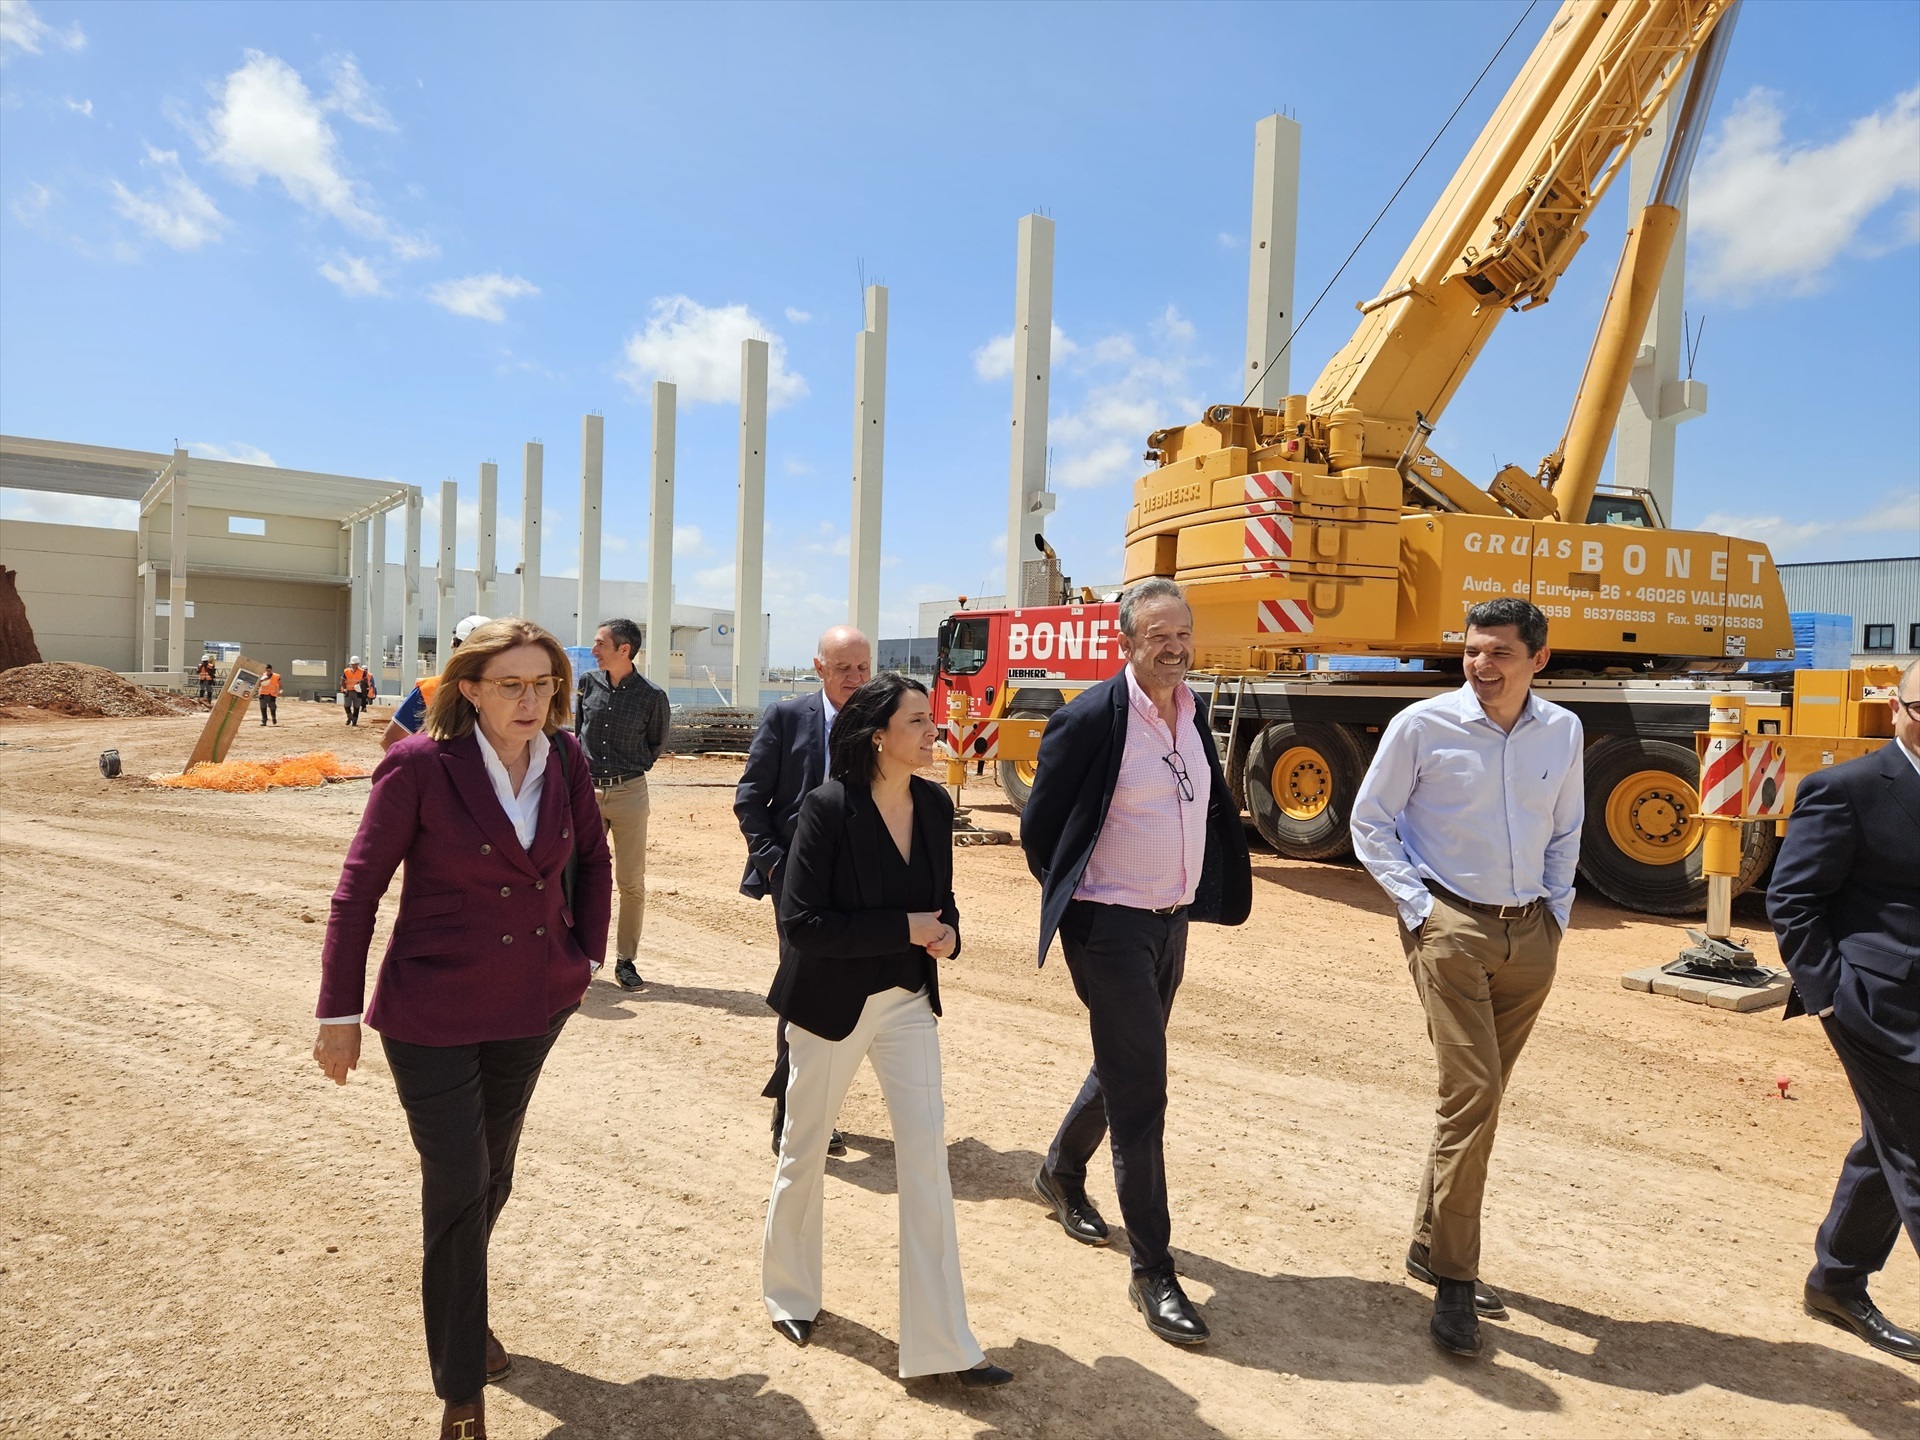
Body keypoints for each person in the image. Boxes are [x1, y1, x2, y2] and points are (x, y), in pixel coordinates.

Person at [312, 618, 612, 1440]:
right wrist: (338, 1016)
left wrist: (584, 958)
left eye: (544, 684)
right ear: (469, 690)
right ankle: (460, 1390)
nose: (530, 700)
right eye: (510, 684)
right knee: (457, 1182)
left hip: (533, 1004)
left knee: (495, 1175)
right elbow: (356, 894)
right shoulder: (418, 766)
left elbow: (595, 858)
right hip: (433, 1012)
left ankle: (462, 1306)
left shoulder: (569, 759)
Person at [761, 672, 1012, 1388]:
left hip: (906, 1000)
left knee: (927, 1162)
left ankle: (943, 1343)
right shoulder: (827, 808)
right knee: (804, 1149)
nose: (935, 732)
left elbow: (945, 902)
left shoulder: (935, 804)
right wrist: (905, 927)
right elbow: (802, 924)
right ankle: (790, 1291)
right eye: (920, 722)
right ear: (880, 737)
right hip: (828, 1006)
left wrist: (949, 937)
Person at [1019, 577, 1251, 1346]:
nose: (1175, 646)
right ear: (1126, 641)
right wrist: (1086, 908)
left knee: (1124, 1064)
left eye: (1183, 632)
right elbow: (1042, 834)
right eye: (1158, 634)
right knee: (1143, 1094)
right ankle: (1153, 1269)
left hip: (1169, 923)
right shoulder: (1088, 720)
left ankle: (1060, 1169)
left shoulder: (1195, 711)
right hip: (1109, 924)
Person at [1350, 596, 1583, 1358]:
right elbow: (1370, 820)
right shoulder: (1423, 725)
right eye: (1474, 651)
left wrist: (1556, 913)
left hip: (1530, 935)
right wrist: (1419, 908)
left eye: (1500, 653)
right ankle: (1454, 1279)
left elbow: (1568, 826)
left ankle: (1429, 1243)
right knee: (1472, 1093)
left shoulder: (1564, 731)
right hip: (1450, 926)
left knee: (1480, 1103)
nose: (1482, 666)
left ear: (1538, 660)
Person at [1766, 656, 1920, 1364]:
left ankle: (1836, 1280)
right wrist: (1833, 1000)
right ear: (1897, 708)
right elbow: (1793, 901)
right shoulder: (1848, 789)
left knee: (1886, 1143)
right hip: (1877, 1004)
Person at [735, 624, 871, 1158]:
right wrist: (777, 870)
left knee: (854, 999)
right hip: (797, 885)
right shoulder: (787, 718)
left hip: (862, 888)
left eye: (863, 669)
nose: (855, 680)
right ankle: (792, 1113)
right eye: (843, 669)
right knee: (804, 994)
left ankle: (820, 1106)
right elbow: (751, 800)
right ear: (819, 668)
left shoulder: (881, 722)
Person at [575, 617, 670, 992]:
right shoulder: (587, 684)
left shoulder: (651, 696)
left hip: (630, 794)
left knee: (630, 883)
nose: (593, 650)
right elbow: (577, 731)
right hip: (586, 795)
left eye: (600, 644)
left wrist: (627, 769)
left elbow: (655, 746)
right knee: (579, 876)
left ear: (623, 650)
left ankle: (625, 960)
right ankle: (580, 953)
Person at [383, 614, 493, 751]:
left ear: (455, 646)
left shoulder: (431, 689)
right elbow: (390, 740)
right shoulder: (430, 690)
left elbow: (390, 739)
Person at [340, 656, 374, 728]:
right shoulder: (346, 671)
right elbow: (343, 680)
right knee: (347, 705)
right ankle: (349, 717)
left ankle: (354, 721)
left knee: (356, 706)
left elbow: (365, 681)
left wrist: (365, 690)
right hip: (348, 691)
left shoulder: (362, 672)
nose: (354, 665)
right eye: (353, 664)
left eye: (356, 664)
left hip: (357, 692)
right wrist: (345, 689)